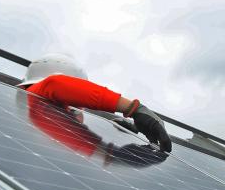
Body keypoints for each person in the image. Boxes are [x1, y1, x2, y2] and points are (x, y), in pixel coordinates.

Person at [17, 53, 171, 153]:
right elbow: (55, 84)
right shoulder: (36, 98)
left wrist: (121, 139)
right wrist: (134, 109)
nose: (80, 108)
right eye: (77, 98)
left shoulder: (39, 123)